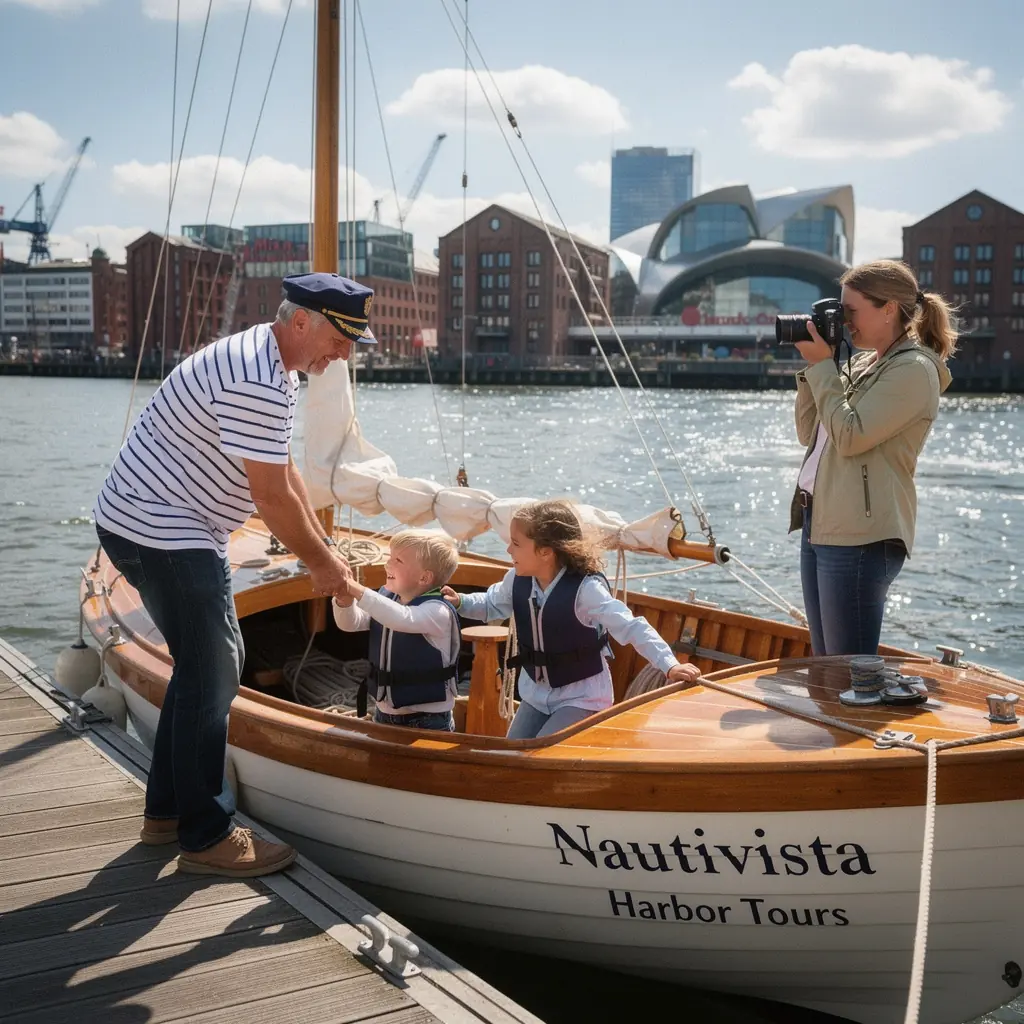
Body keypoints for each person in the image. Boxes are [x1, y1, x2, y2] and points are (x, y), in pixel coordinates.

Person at [93, 272, 377, 876]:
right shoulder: (257, 377)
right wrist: (323, 565)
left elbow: (286, 471)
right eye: (342, 338)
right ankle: (206, 837)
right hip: (161, 530)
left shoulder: (272, 362)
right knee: (216, 675)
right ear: (302, 321)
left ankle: (167, 814)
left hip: (153, 523)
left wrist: (322, 547)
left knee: (201, 671)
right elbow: (270, 497)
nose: (345, 353)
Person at [789, 259, 956, 656]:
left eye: (851, 311)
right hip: (823, 521)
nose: (844, 322)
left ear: (888, 309)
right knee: (827, 662)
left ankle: (854, 723)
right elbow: (808, 433)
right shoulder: (865, 363)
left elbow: (849, 436)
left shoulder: (914, 370)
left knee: (848, 669)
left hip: (861, 536)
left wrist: (823, 368)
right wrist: (816, 370)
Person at [442, 499, 700, 739]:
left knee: (539, 756)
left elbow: (632, 627)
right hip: (535, 694)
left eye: (516, 543)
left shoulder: (586, 591)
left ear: (545, 552)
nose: (508, 549)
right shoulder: (517, 579)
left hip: (581, 698)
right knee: (510, 754)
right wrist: (461, 602)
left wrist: (669, 665)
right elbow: (490, 604)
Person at [333, 529, 461, 731]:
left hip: (428, 720)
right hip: (384, 713)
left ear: (424, 578)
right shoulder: (388, 599)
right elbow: (351, 624)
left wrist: (354, 587)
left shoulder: (438, 611)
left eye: (398, 561)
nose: (387, 564)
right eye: (390, 557)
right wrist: (344, 601)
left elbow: (402, 619)